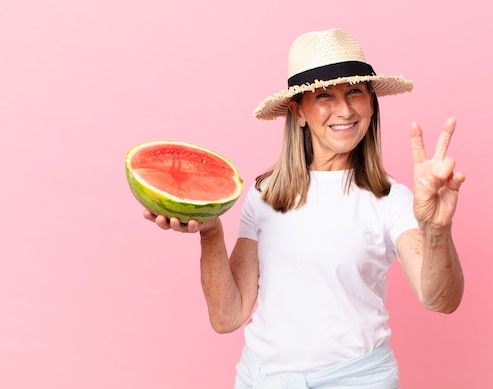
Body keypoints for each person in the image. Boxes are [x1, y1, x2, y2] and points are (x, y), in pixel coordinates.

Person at [145, 28, 465, 389]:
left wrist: (437, 230)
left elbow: (440, 299)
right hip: (261, 379)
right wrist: (210, 231)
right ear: (298, 112)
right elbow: (227, 316)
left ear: (371, 102)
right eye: (324, 95)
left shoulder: (393, 199)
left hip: (356, 380)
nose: (344, 110)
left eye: (355, 92)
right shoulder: (264, 194)